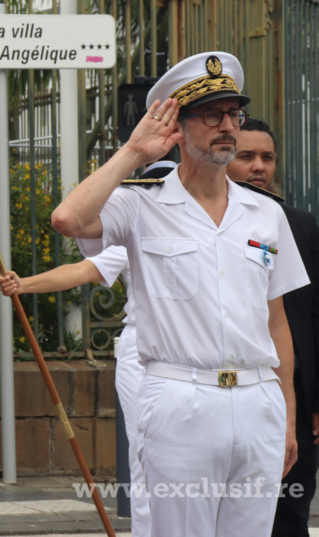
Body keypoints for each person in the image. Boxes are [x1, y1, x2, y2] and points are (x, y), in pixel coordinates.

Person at [50, 51, 308, 536]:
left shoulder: (265, 213)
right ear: (178, 129)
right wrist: (134, 152)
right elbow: (69, 220)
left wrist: (288, 416)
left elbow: (277, 321)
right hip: (180, 398)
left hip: (258, 401)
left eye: (234, 113)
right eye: (212, 115)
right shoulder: (139, 203)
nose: (227, 126)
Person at [0, 161, 175, 537]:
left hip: (203, 360)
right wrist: (24, 285)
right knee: (147, 450)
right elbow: (81, 270)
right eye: (153, 188)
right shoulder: (137, 234)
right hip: (144, 351)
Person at [227, 118, 319, 537]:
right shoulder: (202, 225)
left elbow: (312, 317)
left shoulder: (300, 225)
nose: (259, 167)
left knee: (289, 515)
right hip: (225, 391)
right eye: (246, 157)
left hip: (290, 398)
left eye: (267, 157)